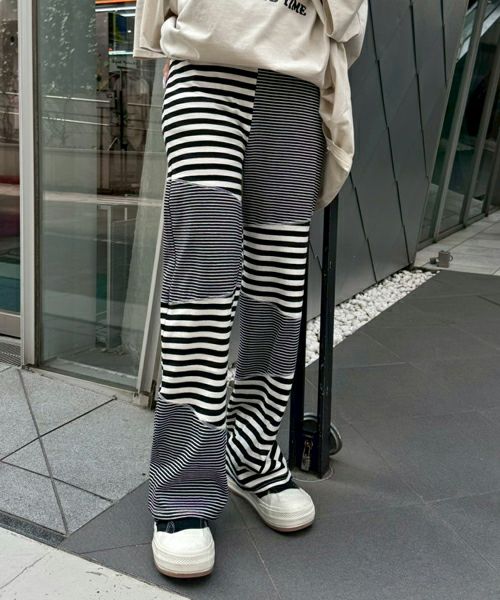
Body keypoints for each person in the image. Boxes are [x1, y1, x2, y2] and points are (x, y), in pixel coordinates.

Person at [133, 0, 368, 579]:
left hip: (295, 85)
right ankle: (182, 486)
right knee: (200, 287)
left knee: (278, 294)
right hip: (207, 67)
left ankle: (251, 453)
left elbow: (350, 16)